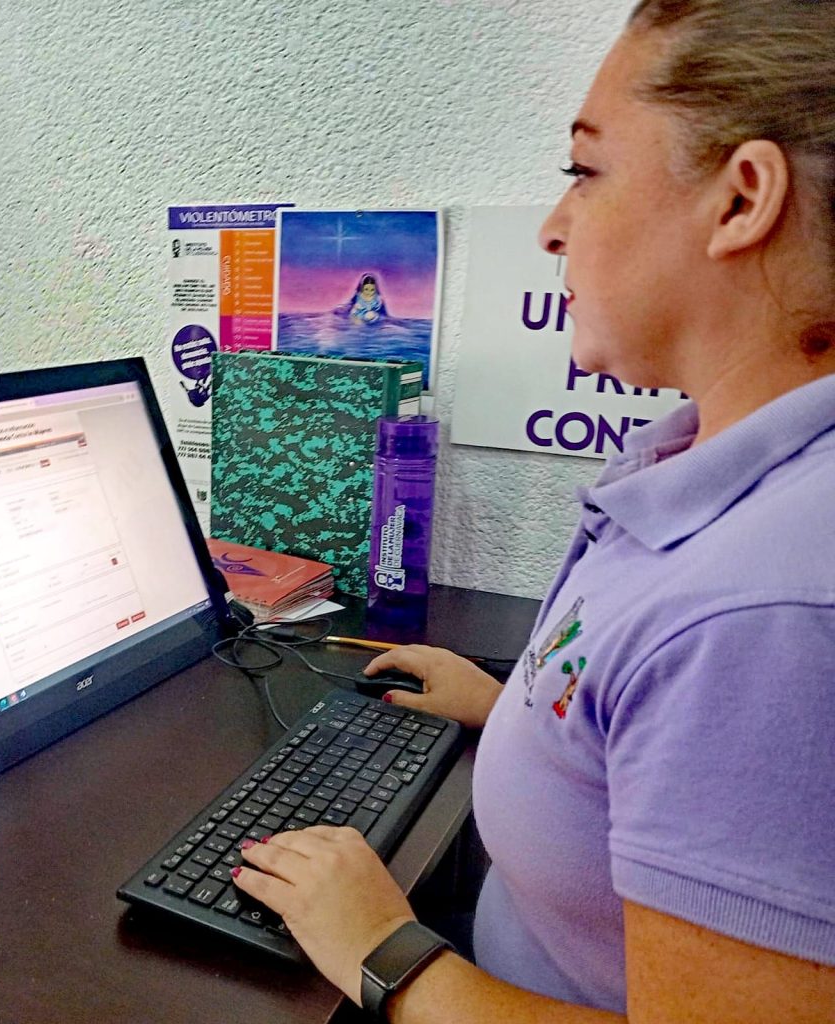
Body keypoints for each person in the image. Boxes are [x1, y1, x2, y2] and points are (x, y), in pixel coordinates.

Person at [232, 1, 835, 1020]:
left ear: (742, 201)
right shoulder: (710, 463)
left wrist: (385, 953)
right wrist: (523, 714)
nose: (554, 227)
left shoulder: (763, 616)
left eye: (584, 171)